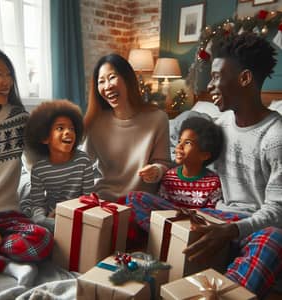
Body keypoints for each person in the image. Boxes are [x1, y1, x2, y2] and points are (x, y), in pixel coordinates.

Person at [183, 32, 282, 298]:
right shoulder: (219, 126)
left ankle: (220, 291)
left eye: (217, 77)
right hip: (218, 217)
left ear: (245, 78)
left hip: (252, 228)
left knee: (275, 238)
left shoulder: (275, 137)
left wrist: (232, 231)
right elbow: (197, 170)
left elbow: (277, 211)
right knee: (137, 200)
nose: (211, 85)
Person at [0, 47, 53, 286]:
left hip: (7, 216)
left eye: (9, 74)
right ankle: (7, 264)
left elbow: (36, 166)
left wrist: (53, 200)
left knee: (42, 238)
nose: (7, 81)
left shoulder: (19, 118)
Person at [83, 53, 171, 202]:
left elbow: (164, 163)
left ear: (127, 79)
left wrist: (156, 170)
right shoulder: (96, 122)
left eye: (112, 77)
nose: (107, 86)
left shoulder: (158, 118)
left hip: (139, 202)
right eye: (101, 81)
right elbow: (82, 165)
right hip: (103, 200)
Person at [126, 116, 223, 234]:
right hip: (169, 222)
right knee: (134, 197)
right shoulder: (169, 177)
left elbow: (210, 217)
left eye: (187, 143)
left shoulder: (213, 182)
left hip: (196, 227)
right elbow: (161, 210)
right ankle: (160, 235)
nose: (179, 146)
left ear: (204, 155)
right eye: (179, 141)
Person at [21, 100, 94, 232]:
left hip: (78, 215)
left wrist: (67, 215)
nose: (68, 132)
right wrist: (43, 219)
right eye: (60, 128)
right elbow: (37, 204)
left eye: (71, 128)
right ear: (45, 138)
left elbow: (89, 199)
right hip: (50, 219)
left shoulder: (84, 161)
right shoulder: (39, 169)